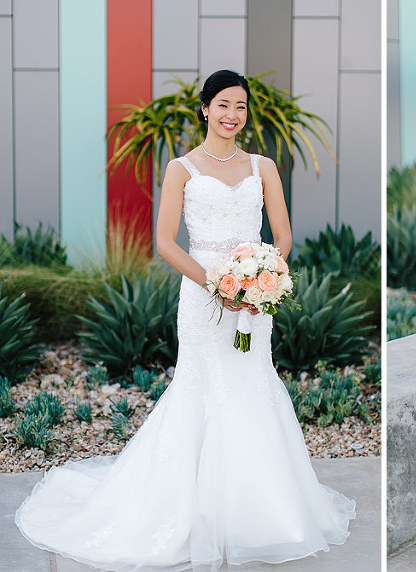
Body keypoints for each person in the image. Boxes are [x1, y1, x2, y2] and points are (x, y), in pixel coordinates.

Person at [16, 70, 355, 568]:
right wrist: (218, 285)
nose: (231, 115)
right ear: (204, 109)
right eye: (222, 105)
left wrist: (261, 275)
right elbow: (166, 244)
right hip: (202, 298)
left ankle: (256, 511)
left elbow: (281, 235)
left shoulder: (263, 167)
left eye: (240, 107)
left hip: (253, 300)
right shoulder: (181, 168)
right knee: (201, 388)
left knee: (251, 381)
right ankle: (187, 509)